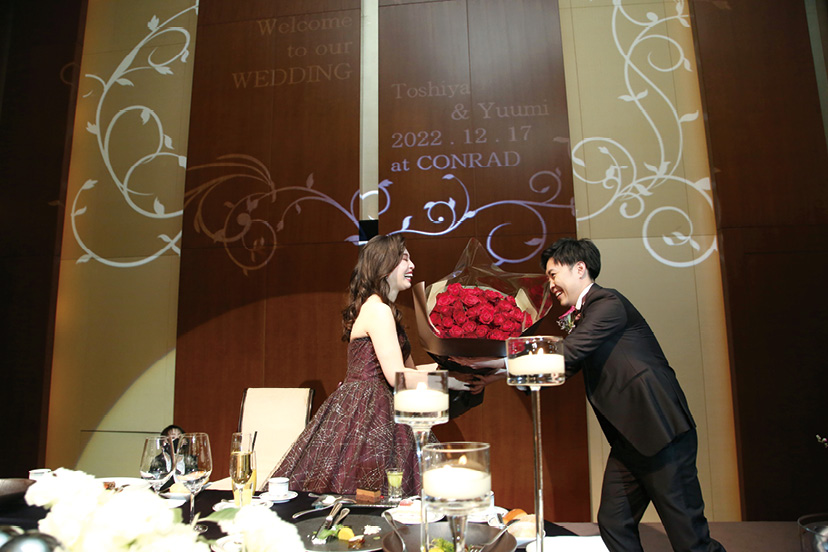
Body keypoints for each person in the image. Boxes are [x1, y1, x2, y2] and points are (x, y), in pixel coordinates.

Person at [458, 238, 724, 552]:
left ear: (580, 268)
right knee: (614, 523)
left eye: (554, 274)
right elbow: (563, 367)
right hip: (629, 438)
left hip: (659, 430)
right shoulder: (584, 315)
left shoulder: (608, 303)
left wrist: (504, 359)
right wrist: (498, 374)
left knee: (689, 539)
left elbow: (569, 352)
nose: (551, 284)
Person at [268, 234, 435, 496]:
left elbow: (411, 372)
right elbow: (398, 378)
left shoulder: (384, 310)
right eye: (404, 258)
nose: (412, 265)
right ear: (384, 264)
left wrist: (458, 368)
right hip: (368, 411)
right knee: (367, 491)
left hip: (377, 406)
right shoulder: (377, 310)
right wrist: (447, 382)